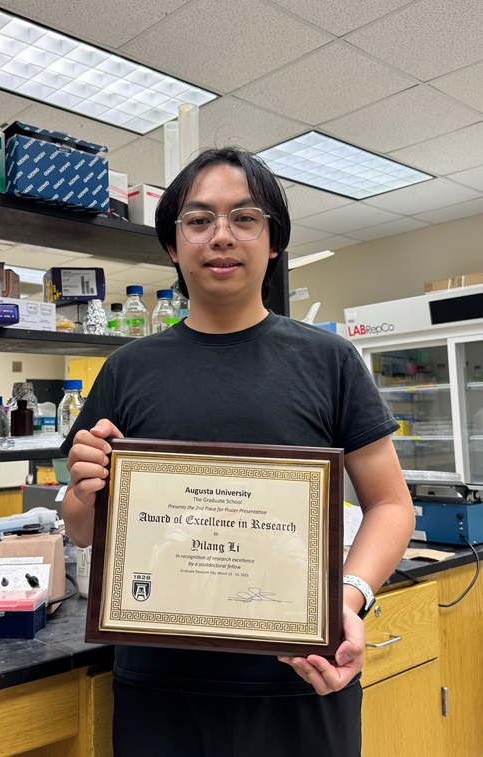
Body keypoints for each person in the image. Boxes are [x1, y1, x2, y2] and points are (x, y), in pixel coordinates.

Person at [62, 147, 415, 757]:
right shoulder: (127, 369)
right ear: (172, 246)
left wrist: (346, 598)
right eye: (199, 220)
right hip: (160, 683)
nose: (221, 236)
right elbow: (82, 529)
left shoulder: (329, 361)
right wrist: (83, 490)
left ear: (273, 242)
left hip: (299, 675)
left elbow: (390, 504)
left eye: (245, 218)